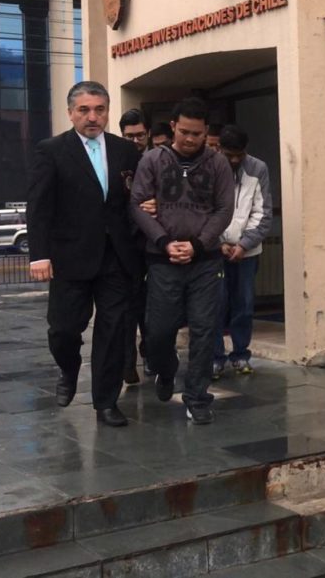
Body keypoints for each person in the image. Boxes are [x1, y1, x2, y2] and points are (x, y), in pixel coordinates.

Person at [26, 81, 142, 427]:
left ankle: (106, 402)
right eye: (84, 110)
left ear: (107, 111)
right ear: (70, 113)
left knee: (113, 330)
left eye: (99, 109)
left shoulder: (125, 151)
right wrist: (39, 255)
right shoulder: (51, 150)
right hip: (70, 257)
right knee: (63, 330)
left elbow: (134, 197)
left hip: (115, 257)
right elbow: (39, 207)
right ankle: (69, 367)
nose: (93, 117)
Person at [130, 97, 234, 425]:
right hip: (162, 260)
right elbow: (136, 204)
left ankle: (197, 397)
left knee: (204, 329)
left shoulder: (218, 163)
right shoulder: (152, 159)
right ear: (173, 126)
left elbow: (224, 209)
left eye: (197, 134)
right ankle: (165, 368)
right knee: (159, 331)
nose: (190, 139)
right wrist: (164, 242)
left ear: (206, 132)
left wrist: (198, 245)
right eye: (185, 132)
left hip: (205, 261)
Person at [212, 125, 272, 379]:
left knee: (244, 305)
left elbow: (263, 212)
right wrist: (218, 243)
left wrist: (244, 244)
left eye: (240, 155)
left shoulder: (258, 168)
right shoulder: (210, 168)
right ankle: (215, 358)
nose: (235, 160)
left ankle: (240, 355)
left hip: (247, 252)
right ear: (220, 149)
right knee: (215, 304)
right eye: (230, 155)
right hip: (215, 252)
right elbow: (204, 211)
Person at [118, 108, 150, 384]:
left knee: (151, 309)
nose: (135, 141)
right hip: (125, 247)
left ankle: (150, 354)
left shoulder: (158, 160)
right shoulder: (115, 162)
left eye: (140, 135)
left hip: (153, 246)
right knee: (127, 309)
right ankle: (128, 364)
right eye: (130, 136)